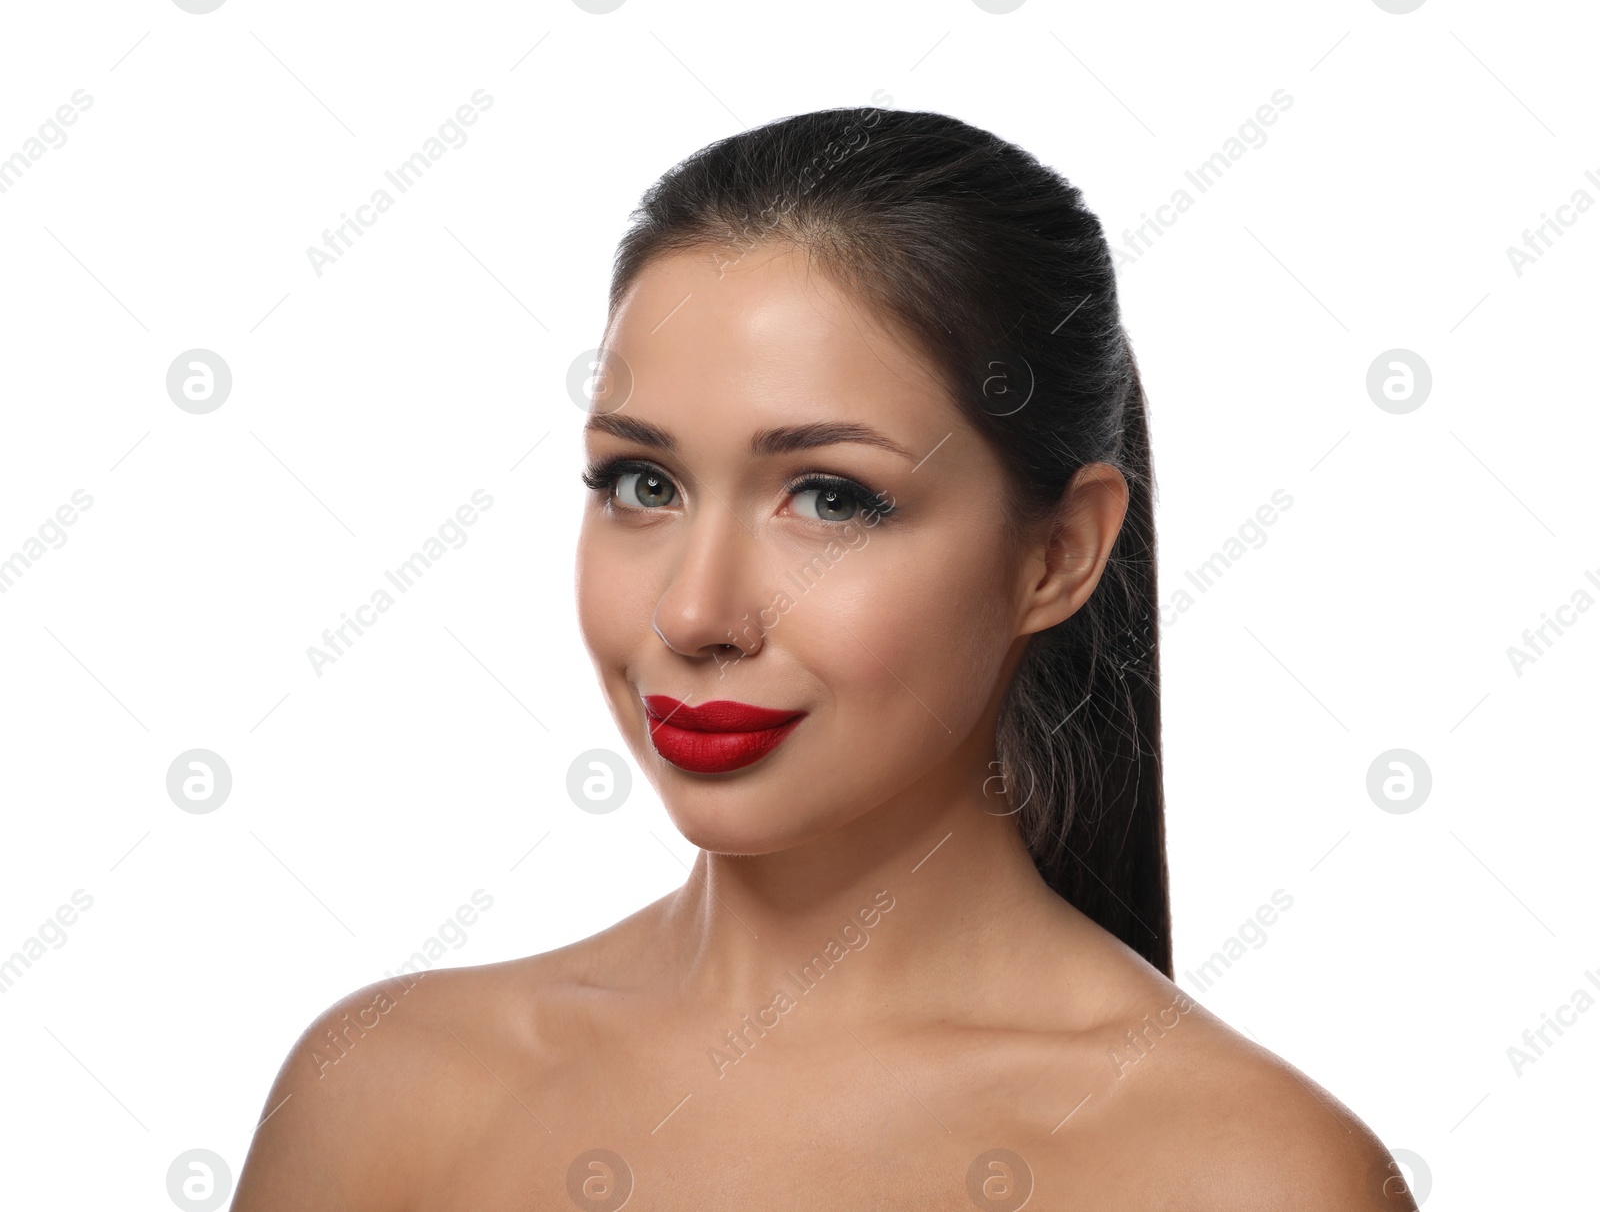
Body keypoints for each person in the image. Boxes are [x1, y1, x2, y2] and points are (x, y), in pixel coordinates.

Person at [234, 107, 1417, 1210]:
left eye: (830, 497)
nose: (694, 612)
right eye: (640, 483)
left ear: (1057, 554)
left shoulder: (1249, 1174)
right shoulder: (378, 1095)